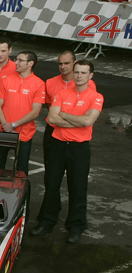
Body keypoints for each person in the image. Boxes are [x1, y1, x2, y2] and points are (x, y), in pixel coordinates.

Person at [32, 60, 103, 244]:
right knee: (51, 183)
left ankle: (76, 226)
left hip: (79, 148)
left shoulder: (96, 97)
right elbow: (51, 118)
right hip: (57, 144)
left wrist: (64, 115)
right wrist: (77, 120)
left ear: (90, 75)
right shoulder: (62, 93)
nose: (79, 76)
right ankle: (47, 221)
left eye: (83, 73)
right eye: (77, 72)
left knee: (78, 187)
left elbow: (88, 122)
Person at [0, 51, 45, 174]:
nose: (16, 62)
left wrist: (13, 125)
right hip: (3, 131)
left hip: (24, 134)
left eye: (20, 60)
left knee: (21, 170)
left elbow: (35, 112)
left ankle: (20, 193)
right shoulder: (7, 80)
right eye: (16, 59)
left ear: (30, 63)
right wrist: (6, 125)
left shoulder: (39, 84)